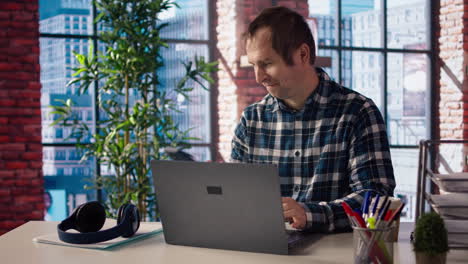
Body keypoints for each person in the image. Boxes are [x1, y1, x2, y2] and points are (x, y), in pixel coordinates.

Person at [230, 6, 395, 232]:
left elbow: (377, 200)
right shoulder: (252, 121)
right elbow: (236, 196)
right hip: (269, 250)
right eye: (254, 65)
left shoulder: (357, 112)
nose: (259, 77)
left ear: (303, 54)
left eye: (267, 63)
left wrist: (310, 215)